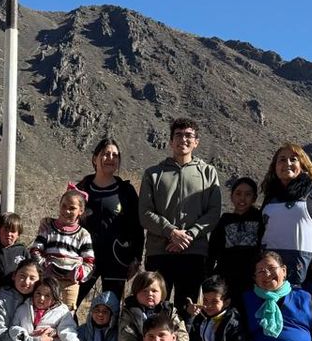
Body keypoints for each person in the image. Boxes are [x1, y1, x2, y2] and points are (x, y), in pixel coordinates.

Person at [138, 118, 222, 305]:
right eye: (178, 135)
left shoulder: (208, 173)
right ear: (170, 141)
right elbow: (144, 212)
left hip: (194, 254)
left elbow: (214, 212)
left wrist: (189, 235)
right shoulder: (153, 174)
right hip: (159, 251)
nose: (183, 139)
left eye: (188, 135)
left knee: (188, 308)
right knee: (157, 307)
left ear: (196, 142)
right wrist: (171, 232)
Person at [258, 144, 312, 286]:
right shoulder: (270, 196)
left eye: (293, 159)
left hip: (304, 269)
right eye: (282, 160)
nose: (287, 163)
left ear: (302, 164)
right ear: (275, 167)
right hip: (270, 268)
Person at [76, 137, 143, 305]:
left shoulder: (126, 191)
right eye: (106, 154)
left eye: (115, 155)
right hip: (84, 258)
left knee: (111, 308)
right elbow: (68, 219)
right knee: (70, 305)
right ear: (95, 158)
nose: (110, 158)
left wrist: (136, 258)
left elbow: (137, 228)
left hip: (116, 258)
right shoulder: (82, 188)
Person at [30, 186, 95, 313]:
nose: (67, 211)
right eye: (64, 206)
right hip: (48, 281)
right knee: (44, 312)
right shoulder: (48, 228)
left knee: (66, 316)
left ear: (81, 211)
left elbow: (89, 262)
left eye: (72, 208)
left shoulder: (83, 235)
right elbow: (35, 250)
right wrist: (45, 267)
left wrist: (76, 273)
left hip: (70, 285)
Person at [207, 176, 262, 304]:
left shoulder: (260, 220)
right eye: (238, 194)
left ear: (254, 198)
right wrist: (209, 277)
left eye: (248, 194)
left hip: (252, 282)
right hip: (226, 281)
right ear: (232, 196)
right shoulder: (224, 221)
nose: (242, 198)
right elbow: (212, 251)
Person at [119, 271, 191, 341]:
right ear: (136, 293)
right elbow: (126, 333)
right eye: (144, 290)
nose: (149, 294)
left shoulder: (168, 311)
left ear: (162, 293)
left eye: (154, 291)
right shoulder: (129, 311)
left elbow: (180, 330)